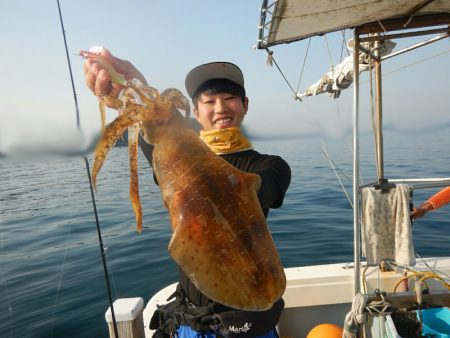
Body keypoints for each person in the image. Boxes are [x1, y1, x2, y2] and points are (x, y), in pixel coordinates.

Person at [83, 48, 291, 338]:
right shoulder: (177, 161)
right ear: (195, 111)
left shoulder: (269, 166)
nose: (220, 108)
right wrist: (139, 96)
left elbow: (256, 190)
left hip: (249, 324)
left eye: (229, 98)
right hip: (190, 322)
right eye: (209, 100)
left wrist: (162, 119)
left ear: (245, 105)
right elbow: (161, 143)